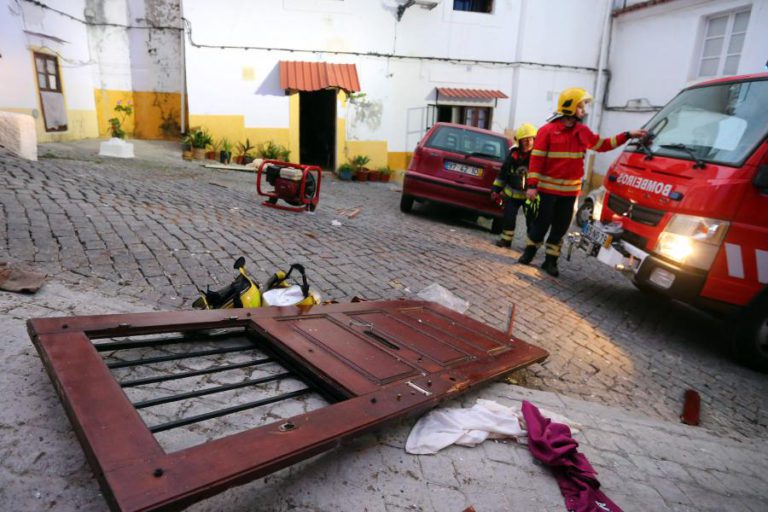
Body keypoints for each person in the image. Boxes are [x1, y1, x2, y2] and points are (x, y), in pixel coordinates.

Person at [519, 87, 648, 277]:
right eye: (581, 106)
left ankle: (550, 261)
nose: (584, 111)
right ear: (570, 106)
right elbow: (536, 159)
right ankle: (529, 253)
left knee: (561, 227)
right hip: (548, 190)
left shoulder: (582, 131)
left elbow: (602, 145)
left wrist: (627, 135)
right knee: (541, 223)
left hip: (570, 192)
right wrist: (532, 186)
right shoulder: (547, 131)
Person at [491, 123, 537, 248]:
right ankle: (506, 241)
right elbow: (503, 174)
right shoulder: (513, 155)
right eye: (525, 140)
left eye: (530, 139)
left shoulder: (538, 156)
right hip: (512, 194)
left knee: (532, 221)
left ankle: (530, 247)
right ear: (519, 141)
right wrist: (496, 189)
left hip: (530, 197)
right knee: (508, 218)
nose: (528, 143)